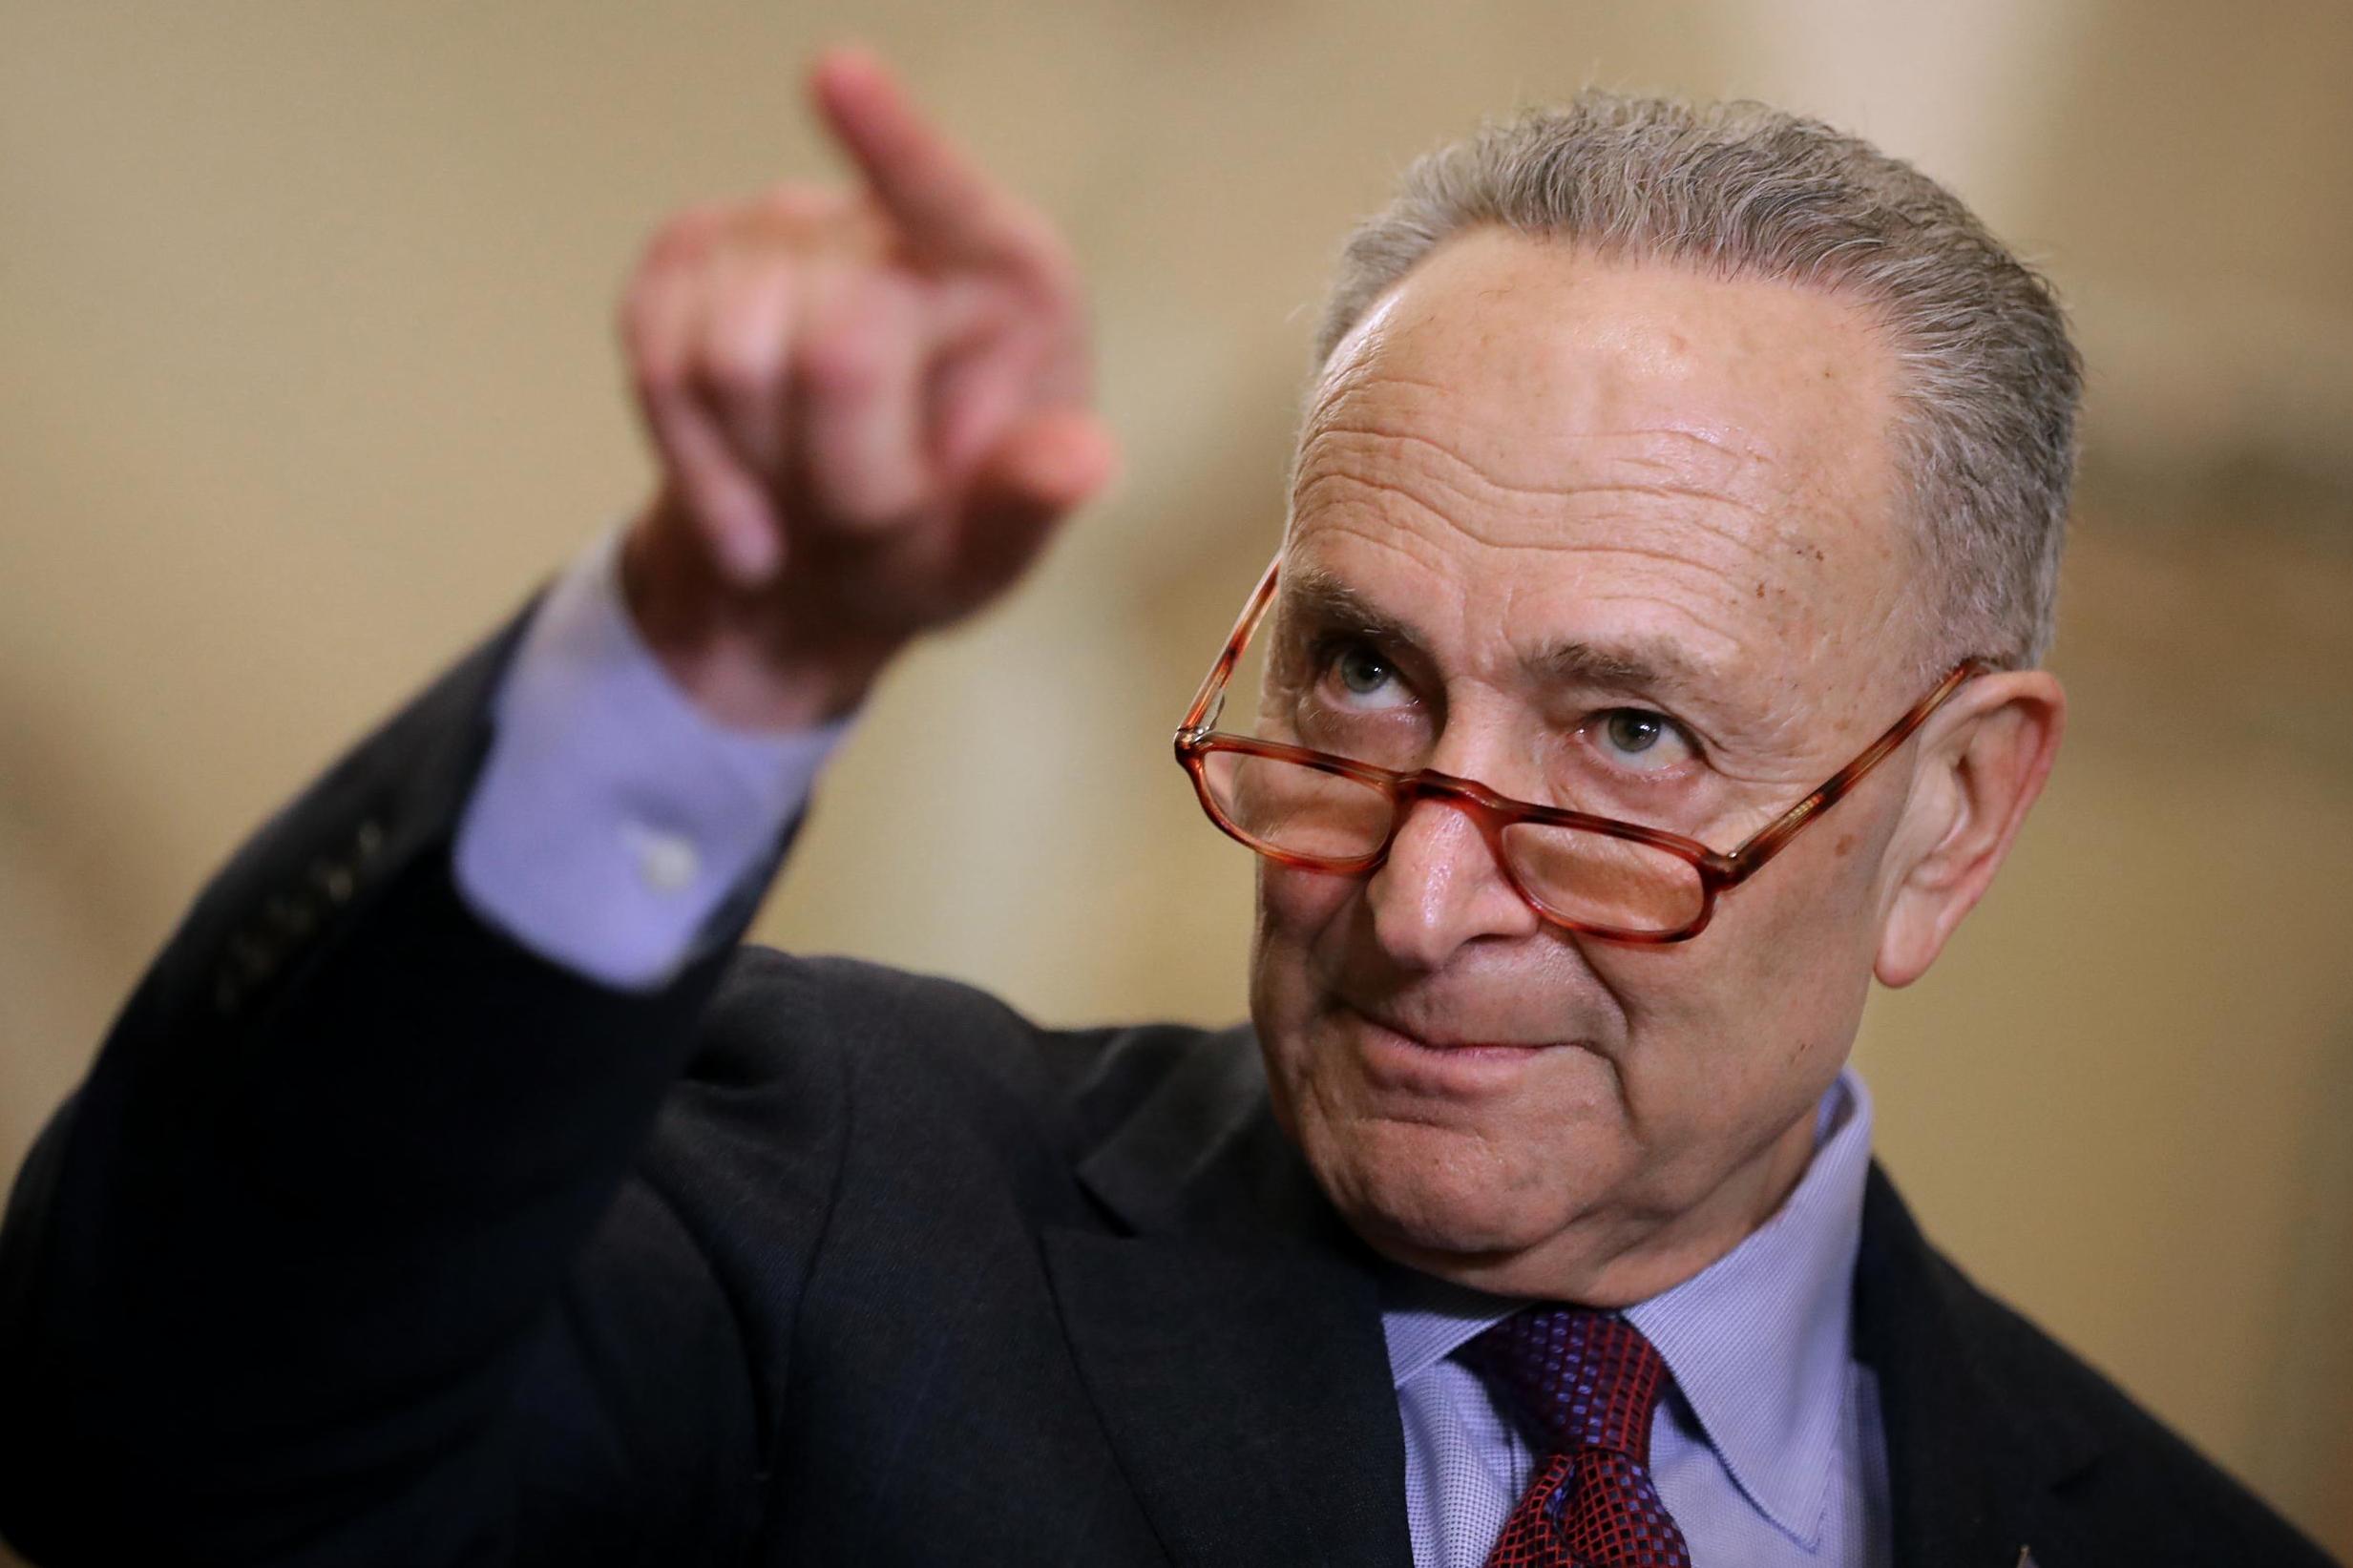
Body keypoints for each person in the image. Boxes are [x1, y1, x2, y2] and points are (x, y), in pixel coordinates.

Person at [0, 44, 2332, 1568]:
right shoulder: (832, 1201)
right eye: (1358, 674)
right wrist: (705, 664)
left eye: (1626, 739)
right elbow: (169, 1437)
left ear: (1951, 814)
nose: (1421, 901)